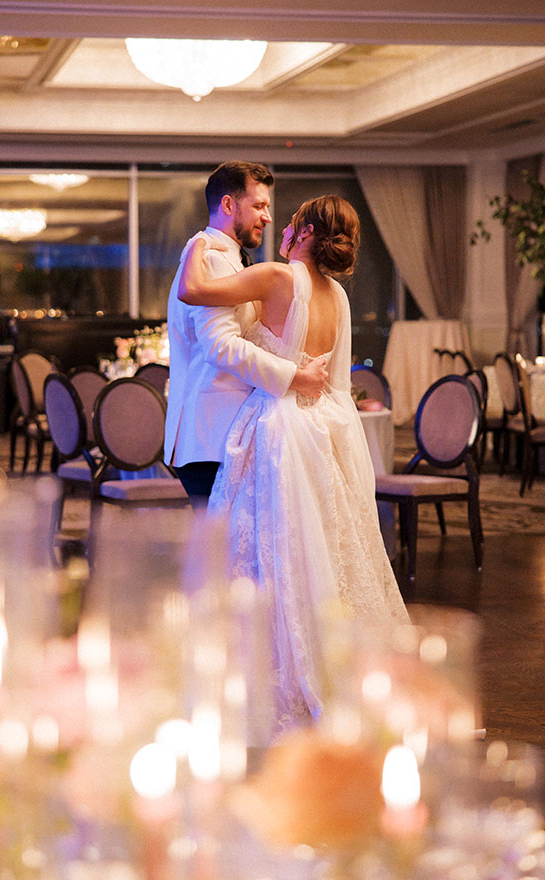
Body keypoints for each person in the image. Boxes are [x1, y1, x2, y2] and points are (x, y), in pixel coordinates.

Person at [178, 194, 409, 732]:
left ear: (305, 232)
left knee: (276, 553)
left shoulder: (280, 278)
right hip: (325, 428)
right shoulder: (340, 297)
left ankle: (280, 670)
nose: (281, 225)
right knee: (324, 549)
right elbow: (332, 381)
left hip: (280, 426)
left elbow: (195, 292)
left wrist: (196, 242)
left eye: (293, 220)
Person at [164, 161, 329, 507]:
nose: (267, 217)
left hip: (223, 433)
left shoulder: (229, 259)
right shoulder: (210, 259)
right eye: (258, 205)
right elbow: (220, 348)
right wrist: (295, 377)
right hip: (213, 435)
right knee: (217, 555)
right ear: (227, 205)